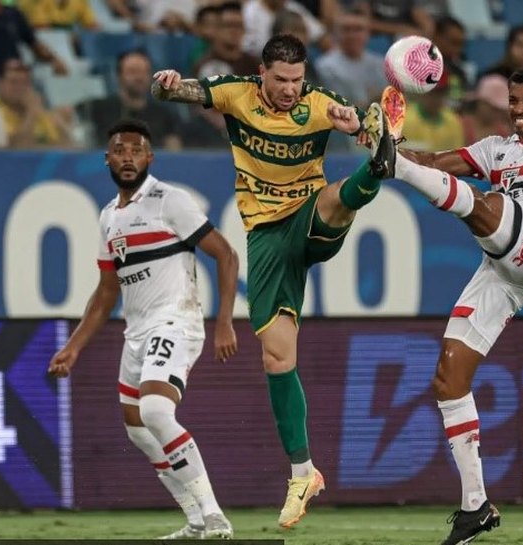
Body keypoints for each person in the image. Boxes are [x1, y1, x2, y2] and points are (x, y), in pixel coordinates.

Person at [150, 33, 394, 528]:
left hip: (309, 218)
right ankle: (303, 473)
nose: (289, 90)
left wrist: (363, 132)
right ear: (262, 73)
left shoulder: (322, 104)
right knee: (277, 357)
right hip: (265, 236)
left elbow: (362, 124)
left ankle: (373, 176)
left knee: (334, 199)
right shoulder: (235, 92)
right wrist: (166, 85)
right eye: (281, 80)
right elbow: (180, 93)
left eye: (297, 81)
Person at [371, 64, 523, 545]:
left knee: (489, 205)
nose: (520, 109)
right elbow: (437, 161)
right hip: (502, 271)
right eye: (515, 100)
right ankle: (475, 506)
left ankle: (391, 167)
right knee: (448, 378)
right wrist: (393, 148)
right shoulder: (495, 148)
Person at [47, 119, 239, 540]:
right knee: (137, 429)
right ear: (108, 159)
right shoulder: (108, 218)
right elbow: (105, 291)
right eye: (120, 150)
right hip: (136, 332)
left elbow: (225, 255)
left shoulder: (170, 200)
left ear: (149, 158)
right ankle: (192, 519)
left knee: (155, 411)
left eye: (137, 150)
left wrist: (224, 320)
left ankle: (215, 517)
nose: (128, 157)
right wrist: (75, 347)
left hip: (176, 320)